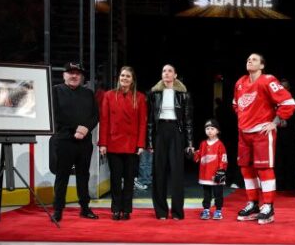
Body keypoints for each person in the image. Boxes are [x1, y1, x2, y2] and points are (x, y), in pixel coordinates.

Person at [232, 53, 295, 225]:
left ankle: (268, 207)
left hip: (261, 132)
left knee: (264, 168)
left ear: (262, 66)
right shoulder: (240, 82)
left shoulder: (268, 80)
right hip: (244, 133)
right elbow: (236, 104)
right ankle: (253, 204)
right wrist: (243, 120)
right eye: (248, 59)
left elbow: (289, 103)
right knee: (246, 168)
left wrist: (274, 122)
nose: (249, 61)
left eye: (253, 59)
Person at [52, 61, 99, 222]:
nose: (74, 75)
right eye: (70, 72)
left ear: (81, 76)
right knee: (62, 176)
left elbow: (95, 115)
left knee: (83, 176)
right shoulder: (55, 91)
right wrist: (76, 129)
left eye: (77, 73)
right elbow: (55, 115)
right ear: (64, 75)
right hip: (64, 140)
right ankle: (58, 210)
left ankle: (85, 208)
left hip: (85, 142)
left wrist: (86, 127)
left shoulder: (88, 93)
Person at [98, 66, 147, 221]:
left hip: (132, 144)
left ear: (132, 80)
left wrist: (140, 144)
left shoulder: (139, 97)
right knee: (115, 179)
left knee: (129, 179)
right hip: (113, 143)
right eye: (122, 76)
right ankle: (115, 209)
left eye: (127, 76)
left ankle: (126, 210)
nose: (124, 78)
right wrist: (103, 143)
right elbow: (104, 120)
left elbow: (142, 123)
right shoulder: (109, 96)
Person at [147, 64, 194, 220]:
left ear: (175, 75)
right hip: (160, 132)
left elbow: (188, 121)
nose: (166, 73)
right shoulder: (154, 94)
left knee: (177, 173)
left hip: (176, 132)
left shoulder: (184, 94)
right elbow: (150, 121)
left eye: (169, 71)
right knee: (159, 173)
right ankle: (161, 211)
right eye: (164, 71)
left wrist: (189, 143)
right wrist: (150, 142)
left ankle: (177, 212)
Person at [194, 118, 228, 220]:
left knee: (218, 194)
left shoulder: (220, 145)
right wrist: (193, 153)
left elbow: (223, 158)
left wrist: (221, 170)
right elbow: (198, 157)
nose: (209, 130)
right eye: (207, 128)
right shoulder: (203, 143)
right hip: (205, 175)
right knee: (206, 194)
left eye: (212, 128)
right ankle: (206, 210)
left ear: (217, 131)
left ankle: (218, 211)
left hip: (216, 175)